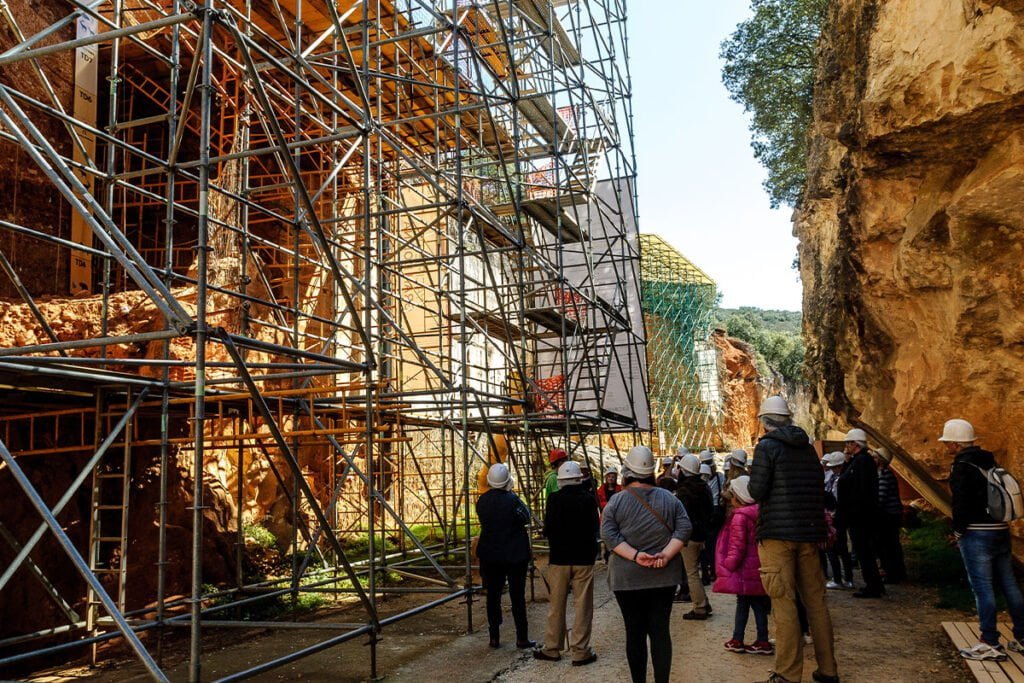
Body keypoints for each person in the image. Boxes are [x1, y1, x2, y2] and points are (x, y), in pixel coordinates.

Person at [748, 395, 838, 683]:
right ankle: (828, 669)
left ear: (765, 422)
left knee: (784, 603)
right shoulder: (808, 448)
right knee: (816, 603)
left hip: (777, 535)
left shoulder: (766, 447)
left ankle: (787, 673)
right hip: (809, 534)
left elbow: (755, 491)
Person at [601, 445, 692, 683]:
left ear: (627, 471)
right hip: (664, 576)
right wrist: (666, 555)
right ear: (651, 471)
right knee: (660, 632)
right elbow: (684, 528)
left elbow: (608, 534)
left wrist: (635, 555)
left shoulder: (616, 501)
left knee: (635, 633)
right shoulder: (670, 498)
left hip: (627, 578)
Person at [944, 419, 1024, 661]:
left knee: (982, 588)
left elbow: (960, 505)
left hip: (977, 533)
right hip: (1000, 529)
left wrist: (958, 532)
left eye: (948, 442)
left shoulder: (961, 467)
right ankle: (1022, 636)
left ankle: (989, 641)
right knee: (1009, 584)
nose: (946, 446)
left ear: (956, 444)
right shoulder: (989, 461)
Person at [535, 462, 600, 666]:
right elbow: (594, 527)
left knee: (556, 604)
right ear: (579, 478)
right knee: (583, 605)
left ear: (561, 480)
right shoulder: (588, 499)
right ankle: (580, 651)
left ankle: (552, 647)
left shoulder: (554, 499)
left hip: (559, 559)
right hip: (583, 558)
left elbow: (548, 529)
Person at [476, 463, 535, 650]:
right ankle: (522, 638)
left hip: (490, 554)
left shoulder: (482, 501)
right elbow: (526, 517)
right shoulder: (513, 500)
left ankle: (494, 637)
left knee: (493, 596)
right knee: (517, 596)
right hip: (514, 553)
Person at [714, 475, 773, 656]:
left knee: (744, 604)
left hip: (743, 569)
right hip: (757, 565)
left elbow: (737, 546)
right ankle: (759, 639)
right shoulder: (760, 512)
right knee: (757, 604)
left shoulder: (740, 517)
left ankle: (740, 639)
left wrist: (728, 564)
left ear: (737, 497)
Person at [837, 428, 883, 598]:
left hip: (860, 514)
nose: (846, 446)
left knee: (864, 551)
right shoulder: (860, 461)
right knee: (864, 551)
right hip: (860, 513)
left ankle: (872, 585)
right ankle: (873, 583)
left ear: (854, 444)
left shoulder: (862, 462)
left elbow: (856, 487)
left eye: (848, 443)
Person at [674, 453, 713, 617]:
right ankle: (704, 602)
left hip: (689, 537)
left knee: (691, 573)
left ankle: (700, 607)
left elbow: (682, 516)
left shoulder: (684, 491)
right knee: (695, 571)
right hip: (702, 534)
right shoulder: (704, 487)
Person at [874, 447, 906, 584]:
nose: (873, 460)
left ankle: (894, 573)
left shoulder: (885, 475)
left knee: (889, 545)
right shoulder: (883, 474)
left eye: (875, 457)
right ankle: (892, 571)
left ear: (881, 460)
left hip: (889, 515)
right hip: (890, 514)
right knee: (890, 545)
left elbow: (881, 496)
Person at [822, 451, 854, 590]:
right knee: (841, 549)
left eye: (835, 467)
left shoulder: (840, 480)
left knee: (833, 549)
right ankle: (847, 578)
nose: (833, 469)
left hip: (836, 517)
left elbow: (838, 499)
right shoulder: (837, 478)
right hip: (837, 517)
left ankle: (839, 579)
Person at [699, 451, 725, 585]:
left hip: (706, 511)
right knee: (714, 543)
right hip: (717, 510)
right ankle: (714, 571)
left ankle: (707, 572)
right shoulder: (720, 477)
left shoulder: (700, 480)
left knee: (705, 545)